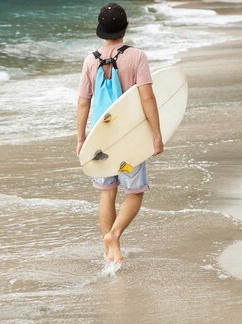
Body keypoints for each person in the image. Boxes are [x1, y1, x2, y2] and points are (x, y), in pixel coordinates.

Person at [76, 3, 163, 263]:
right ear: (125, 27)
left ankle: (109, 251)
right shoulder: (136, 57)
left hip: (101, 138)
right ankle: (113, 236)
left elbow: (83, 102)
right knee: (134, 192)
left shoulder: (90, 59)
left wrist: (81, 139)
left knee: (107, 192)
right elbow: (147, 97)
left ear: (100, 30)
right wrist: (157, 135)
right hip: (130, 137)